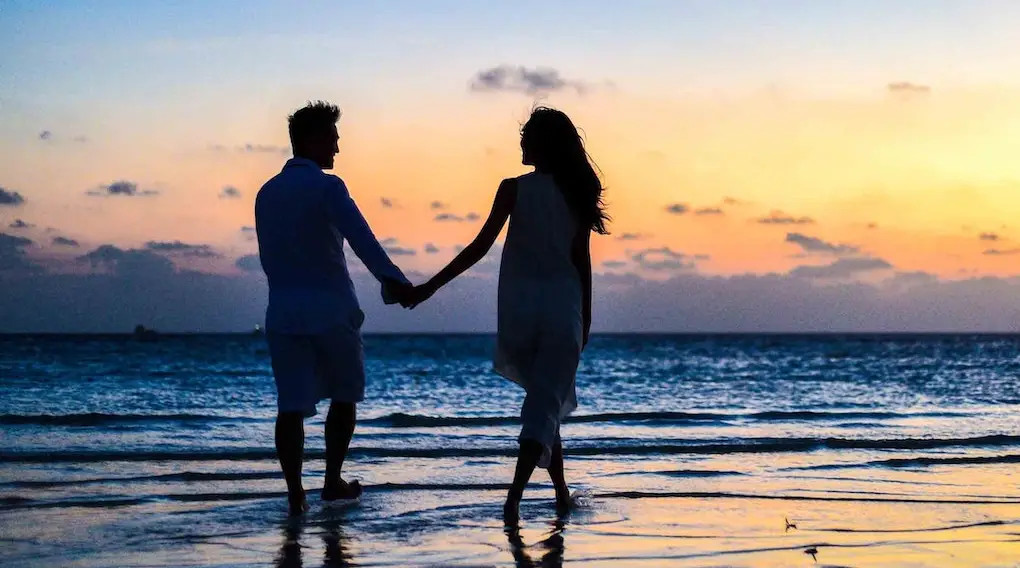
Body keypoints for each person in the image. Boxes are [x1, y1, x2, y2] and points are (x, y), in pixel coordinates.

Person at [408, 107, 608, 525]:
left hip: (520, 314)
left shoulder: (513, 189)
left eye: (526, 136)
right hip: (562, 312)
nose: (520, 142)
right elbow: (581, 261)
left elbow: (479, 247)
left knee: (544, 402)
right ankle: (513, 501)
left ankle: (560, 494)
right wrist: (586, 319)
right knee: (542, 406)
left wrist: (430, 286)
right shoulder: (575, 191)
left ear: (542, 144)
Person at [255, 100, 413, 516]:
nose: (337, 149)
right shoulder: (329, 187)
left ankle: (295, 494)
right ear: (311, 140)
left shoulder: (266, 193)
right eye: (333, 139)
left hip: (283, 312)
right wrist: (394, 282)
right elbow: (362, 240)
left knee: (290, 406)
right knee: (344, 396)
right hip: (330, 310)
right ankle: (331, 481)